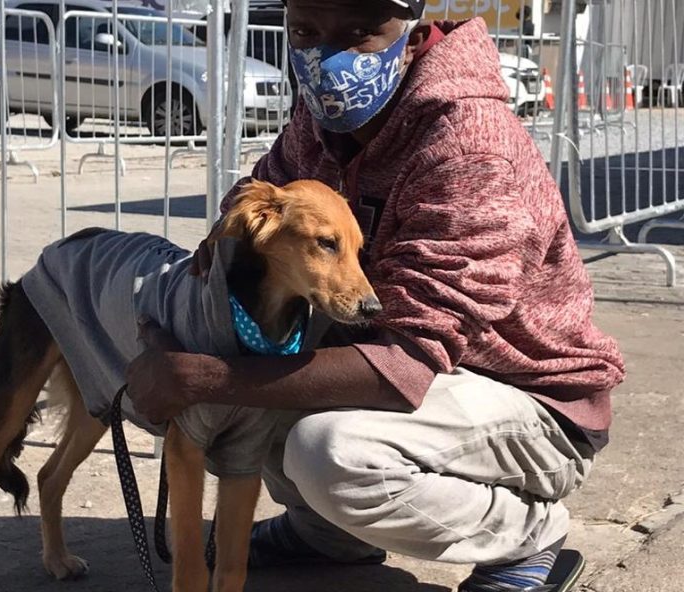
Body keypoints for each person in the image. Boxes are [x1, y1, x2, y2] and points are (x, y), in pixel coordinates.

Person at [125, 0, 625, 590]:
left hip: (529, 401)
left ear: (409, 40)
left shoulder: (467, 147)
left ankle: (526, 538)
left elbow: (409, 362)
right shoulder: (324, 124)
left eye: (360, 32)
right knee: (252, 407)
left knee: (329, 451)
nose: (327, 55)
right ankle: (329, 535)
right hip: (420, 374)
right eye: (306, 31)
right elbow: (261, 192)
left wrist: (203, 378)